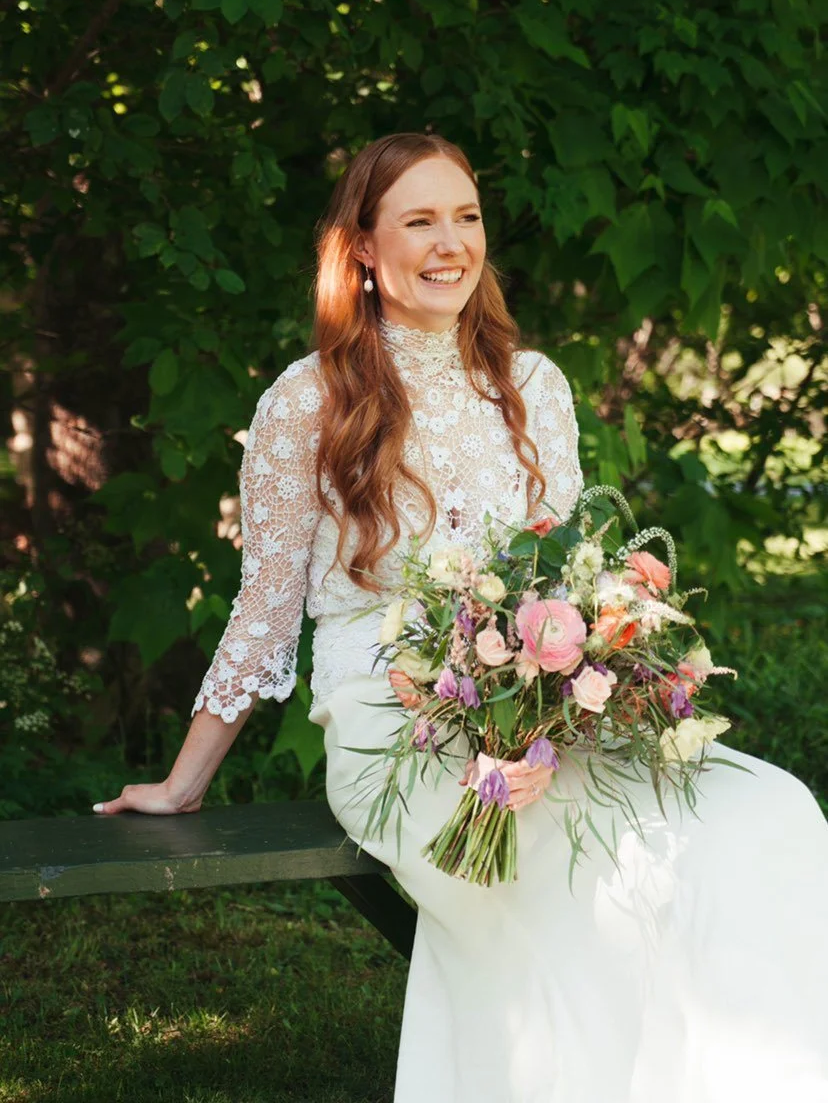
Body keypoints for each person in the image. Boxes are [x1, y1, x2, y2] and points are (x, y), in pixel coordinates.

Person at [93, 133, 828, 1103]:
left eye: (467, 217)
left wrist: (582, 692)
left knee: (766, 812)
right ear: (361, 246)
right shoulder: (306, 401)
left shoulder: (535, 386)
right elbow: (265, 615)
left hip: (541, 715)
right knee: (596, 879)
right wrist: (185, 783)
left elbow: (563, 575)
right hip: (391, 720)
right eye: (420, 220)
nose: (451, 243)